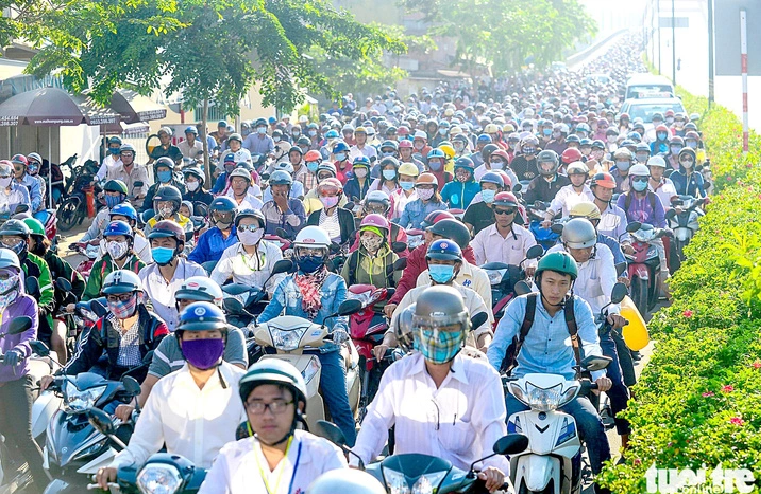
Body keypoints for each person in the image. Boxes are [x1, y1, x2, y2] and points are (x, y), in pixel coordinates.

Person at [352, 287, 508, 493]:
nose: (438, 338)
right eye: (429, 329)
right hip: (404, 486)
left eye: (448, 330)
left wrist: (493, 468)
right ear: (416, 332)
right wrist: (357, 461)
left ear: (462, 332)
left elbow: (492, 430)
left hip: (463, 487)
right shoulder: (397, 374)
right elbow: (375, 421)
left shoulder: (484, 378)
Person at [486, 252, 612, 485]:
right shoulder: (520, 306)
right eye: (550, 282)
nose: (556, 290)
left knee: (593, 424)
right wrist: (490, 375)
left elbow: (591, 343)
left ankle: (607, 486)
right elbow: (498, 345)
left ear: (571, 284)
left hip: (565, 385)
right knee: (494, 426)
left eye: (563, 283)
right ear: (539, 280)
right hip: (522, 385)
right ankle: (493, 484)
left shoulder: (580, 308)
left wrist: (599, 375)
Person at [95, 302, 246, 489]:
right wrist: (117, 466)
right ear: (181, 341)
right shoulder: (164, 389)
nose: (202, 341)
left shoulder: (244, 387)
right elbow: (142, 444)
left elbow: (256, 445)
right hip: (177, 487)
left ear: (223, 339)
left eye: (211, 335)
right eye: (194, 336)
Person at [257, 226, 356, 446]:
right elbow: (269, 313)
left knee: (339, 405)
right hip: (289, 351)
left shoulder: (336, 282)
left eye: (316, 252)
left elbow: (341, 314)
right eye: (304, 251)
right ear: (296, 253)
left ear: (325, 254)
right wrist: (252, 327)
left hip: (326, 351)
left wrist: (340, 329)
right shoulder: (286, 283)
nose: (309, 257)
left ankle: (353, 455)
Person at [198, 360, 348, 494]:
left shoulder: (325, 456)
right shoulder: (230, 458)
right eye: (257, 404)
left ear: (299, 408)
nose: (267, 416)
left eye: (278, 404)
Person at [547, 218, 632, 450]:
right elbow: (543, 291)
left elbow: (609, 283)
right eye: (578, 248)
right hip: (562, 325)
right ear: (565, 245)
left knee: (614, 381)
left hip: (598, 323)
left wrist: (613, 312)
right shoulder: (555, 256)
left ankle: (627, 442)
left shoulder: (603, 252)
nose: (584, 252)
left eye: (588, 247)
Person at [113, 278, 248, 421]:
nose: (188, 309)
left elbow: (234, 380)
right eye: (184, 303)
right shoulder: (170, 342)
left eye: (196, 303)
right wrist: (133, 406)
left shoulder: (231, 335)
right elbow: (149, 384)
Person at [41, 270, 169, 393]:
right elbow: (84, 356)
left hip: (145, 388)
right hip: (112, 386)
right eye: (112, 297)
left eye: (124, 296)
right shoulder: (103, 324)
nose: (117, 302)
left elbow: (163, 363)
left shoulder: (155, 325)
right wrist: (59, 376)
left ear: (139, 296)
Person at [385, 239, 492, 351]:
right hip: (419, 359)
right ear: (429, 264)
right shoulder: (413, 296)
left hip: (462, 359)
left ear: (457, 266)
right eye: (436, 262)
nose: (440, 266)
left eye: (446, 263)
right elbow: (395, 328)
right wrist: (386, 345)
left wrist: (485, 347)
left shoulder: (472, 298)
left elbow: (483, 331)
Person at [0, 249, 47, 494]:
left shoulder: (26, 302)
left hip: (16, 378)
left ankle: (46, 486)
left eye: (3, 274)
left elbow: (29, 336)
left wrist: (18, 350)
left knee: (23, 438)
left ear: (16, 275)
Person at [24, 217, 85, 362]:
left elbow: (78, 282)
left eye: (26, 239)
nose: (20, 243)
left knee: (57, 340)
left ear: (38, 240)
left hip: (54, 311)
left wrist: (67, 304)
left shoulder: (53, 261)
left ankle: (62, 373)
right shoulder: (15, 263)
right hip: (22, 311)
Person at [140, 220, 205, 331]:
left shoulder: (195, 272)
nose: (159, 248)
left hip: (189, 331)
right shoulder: (145, 274)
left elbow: (204, 307)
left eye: (166, 244)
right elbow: (138, 306)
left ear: (179, 247)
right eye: (155, 244)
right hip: (159, 335)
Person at [211, 209, 285, 294]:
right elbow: (216, 278)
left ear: (261, 231)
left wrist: (274, 293)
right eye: (242, 228)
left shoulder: (273, 251)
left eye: (252, 228)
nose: (246, 232)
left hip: (266, 302)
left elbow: (280, 278)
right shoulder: (230, 252)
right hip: (239, 302)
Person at [341, 214, 400, 296]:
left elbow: (400, 287)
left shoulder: (392, 258)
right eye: (366, 235)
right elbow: (343, 284)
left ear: (383, 236)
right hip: (359, 304)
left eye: (374, 235)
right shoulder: (354, 257)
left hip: (384, 306)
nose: (369, 239)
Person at [471, 192, 537, 266]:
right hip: (491, 276)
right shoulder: (483, 235)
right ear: (494, 212)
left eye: (508, 212)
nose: (503, 215)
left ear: (515, 213)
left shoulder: (526, 235)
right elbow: (474, 259)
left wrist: (531, 266)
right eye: (499, 211)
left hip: (518, 277)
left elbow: (532, 260)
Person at [188, 197, 239, 264]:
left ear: (234, 215)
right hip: (211, 273)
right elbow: (196, 256)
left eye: (224, 215)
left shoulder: (241, 234)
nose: (220, 219)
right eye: (217, 215)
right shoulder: (207, 236)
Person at [306, 178, 356, 245]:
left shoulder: (346, 215)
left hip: (341, 252)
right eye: (323, 196)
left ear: (339, 196)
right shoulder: (313, 216)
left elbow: (352, 239)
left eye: (330, 196)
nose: (326, 198)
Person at [261, 170, 306, 237]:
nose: (279, 189)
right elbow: (261, 228)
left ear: (288, 187)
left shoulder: (297, 204)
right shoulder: (267, 206)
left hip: (290, 244)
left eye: (282, 185)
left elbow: (299, 227)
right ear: (271, 188)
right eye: (276, 185)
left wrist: (285, 207)